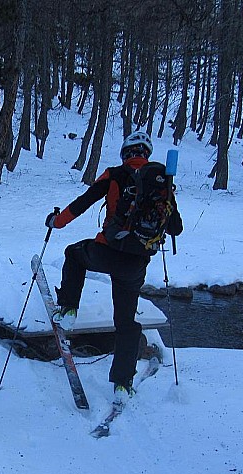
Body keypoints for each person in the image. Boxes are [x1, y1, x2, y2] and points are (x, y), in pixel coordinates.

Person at [45, 131, 183, 404]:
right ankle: (122, 385)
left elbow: (82, 203)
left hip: (105, 251)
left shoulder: (114, 174)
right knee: (126, 323)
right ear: (146, 153)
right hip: (135, 264)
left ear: (125, 153)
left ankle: (69, 309)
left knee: (74, 254)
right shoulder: (161, 182)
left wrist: (55, 222)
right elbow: (176, 227)